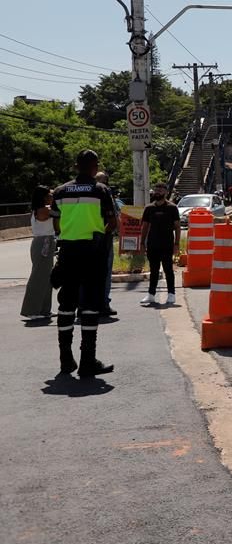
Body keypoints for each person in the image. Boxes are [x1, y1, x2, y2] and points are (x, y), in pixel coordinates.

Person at [51, 149, 117, 377]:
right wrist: (100, 236)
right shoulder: (101, 190)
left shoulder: (60, 192)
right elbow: (112, 222)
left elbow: (56, 226)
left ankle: (65, 360)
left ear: (75, 166)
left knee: (66, 305)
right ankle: (87, 360)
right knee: (89, 306)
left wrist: (69, 235)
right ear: (94, 166)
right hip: (92, 253)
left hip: (67, 253)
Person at [139, 182, 181, 306]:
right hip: (153, 244)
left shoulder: (172, 207)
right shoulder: (149, 208)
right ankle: (151, 295)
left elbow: (178, 227)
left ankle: (171, 294)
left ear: (166, 192)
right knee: (154, 270)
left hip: (167, 244)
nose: (158, 191)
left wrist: (177, 244)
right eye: (156, 189)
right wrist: (142, 243)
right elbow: (145, 227)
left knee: (168, 269)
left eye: (161, 189)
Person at [20, 185, 57, 321]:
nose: (52, 198)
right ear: (43, 197)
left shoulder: (44, 209)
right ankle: (31, 309)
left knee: (47, 278)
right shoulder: (44, 210)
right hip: (43, 243)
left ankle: (44, 309)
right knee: (38, 277)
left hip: (47, 242)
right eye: (50, 195)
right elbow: (60, 215)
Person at [94, 171, 118, 317]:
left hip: (83, 237)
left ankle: (84, 304)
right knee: (105, 273)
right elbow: (112, 219)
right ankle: (103, 303)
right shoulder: (105, 193)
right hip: (103, 237)